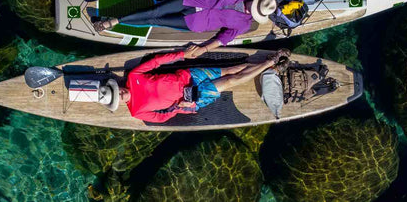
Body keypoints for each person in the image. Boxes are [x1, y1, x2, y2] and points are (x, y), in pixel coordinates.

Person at [93, 0, 278, 58]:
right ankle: (115, 21)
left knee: (156, 21)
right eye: (254, 4)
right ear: (256, 0)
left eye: (254, 11)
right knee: (155, 11)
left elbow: (223, 39)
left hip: (195, 23)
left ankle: (118, 21)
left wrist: (203, 48)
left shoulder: (244, 24)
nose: (250, 8)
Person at [113, 46, 291, 123]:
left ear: (118, 86)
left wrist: (182, 55)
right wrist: (179, 107)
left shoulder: (133, 77)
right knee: (230, 81)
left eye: (116, 91)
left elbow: (156, 61)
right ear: (119, 103)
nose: (120, 94)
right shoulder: (136, 111)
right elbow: (161, 117)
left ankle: (271, 66)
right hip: (192, 97)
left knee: (233, 69)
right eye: (117, 97)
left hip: (188, 75)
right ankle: (270, 64)